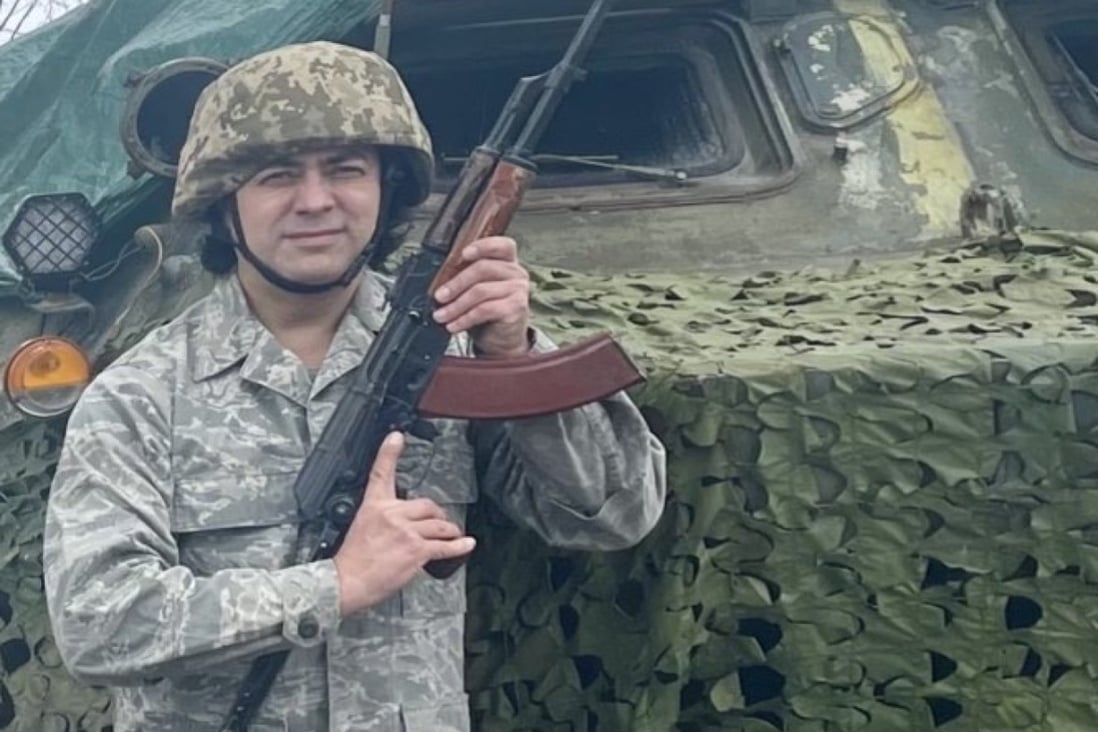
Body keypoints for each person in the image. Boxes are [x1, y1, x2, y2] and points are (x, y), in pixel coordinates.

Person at [42, 40, 666, 732]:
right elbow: (96, 622)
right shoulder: (141, 395)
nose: (316, 201)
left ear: (387, 190)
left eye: (346, 170)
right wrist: (334, 585)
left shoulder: (455, 349)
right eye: (278, 175)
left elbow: (613, 513)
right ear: (226, 205)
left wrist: (511, 348)